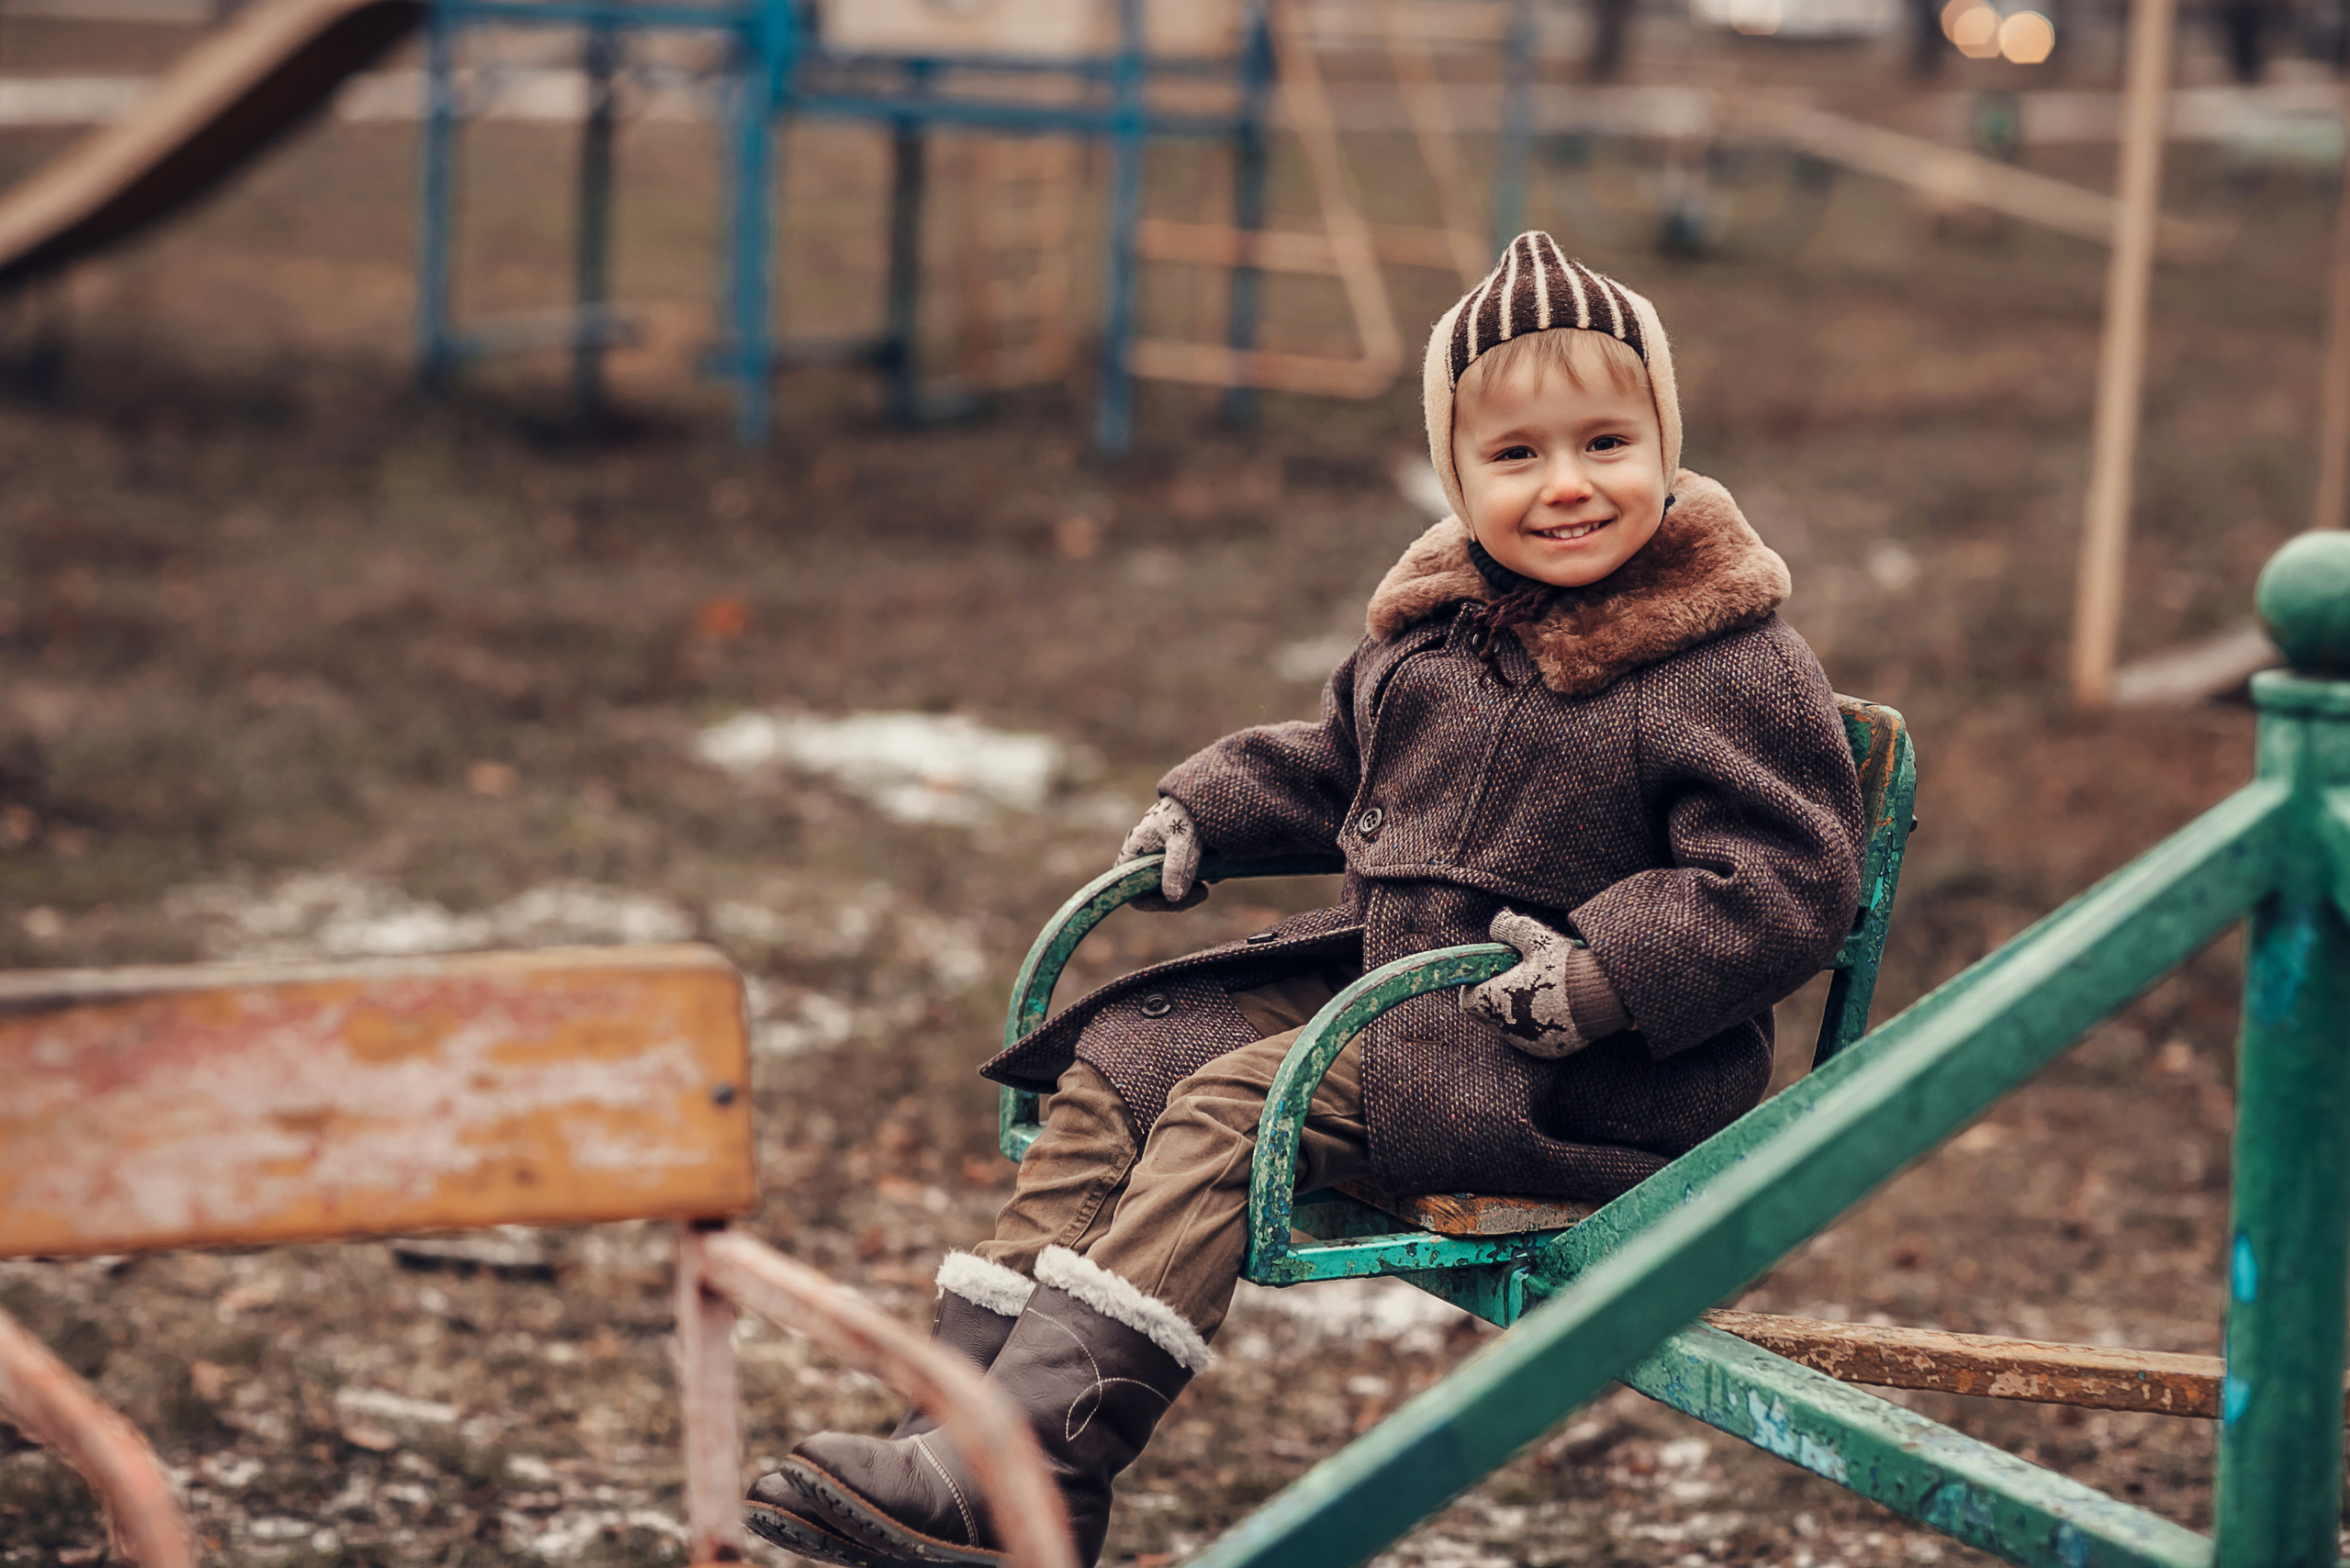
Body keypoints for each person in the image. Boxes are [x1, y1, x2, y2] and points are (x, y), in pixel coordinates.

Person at [744, 234, 1866, 1568]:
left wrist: (1610, 970)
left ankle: (1035, 1467)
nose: (1568, 486)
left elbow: (1790, 880)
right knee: (1125, 1058)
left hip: (1572, 1072)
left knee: (1238, 1101)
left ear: (1665, 446)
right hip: (1406, 1002)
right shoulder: (1444, 630)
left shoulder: (1725, 659)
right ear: (1458, 477)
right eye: (1516, 457)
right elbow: (1333, 760)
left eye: (1607, 444)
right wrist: (1208, 809)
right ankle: (970, 1449)